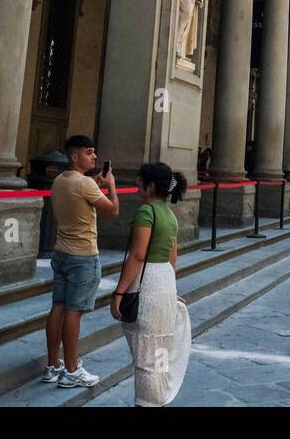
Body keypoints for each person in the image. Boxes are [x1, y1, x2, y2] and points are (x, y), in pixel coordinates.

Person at [111, 163, 191, 406]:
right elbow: (173, 257)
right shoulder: (169, 213)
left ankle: (146, 403)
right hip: (165, 282)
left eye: (140, 182)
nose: (136, 186)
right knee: (159, 355)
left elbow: (137, 255)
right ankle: (158, 400)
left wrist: (119, 292)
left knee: (147, 357)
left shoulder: (147, 212)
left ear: (151, 185)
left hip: (148, 285)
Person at [42, 135, 119, 388]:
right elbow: (113, 209)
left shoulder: (60, 180)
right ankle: (73, 369)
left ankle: (54, 365)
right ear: (75, 157)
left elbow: (78, 196)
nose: (94, 157)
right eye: (89, 152)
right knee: (74, 312)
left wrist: (94, 183)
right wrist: (111, 185)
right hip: (83, 255)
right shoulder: (85, 184)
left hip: (61, 251)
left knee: (58, 307)